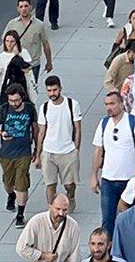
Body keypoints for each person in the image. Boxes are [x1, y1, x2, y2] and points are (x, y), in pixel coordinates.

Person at [90, 91, 135, 237]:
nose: (108, 107)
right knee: (108, 220)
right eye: (106, 104)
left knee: (133, 219)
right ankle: (108, 252)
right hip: (108, 180)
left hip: (129, 180)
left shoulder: (133, 122)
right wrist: (94, 175)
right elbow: (98, 150)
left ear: (121, 104)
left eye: (112, 103)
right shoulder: (104, 124)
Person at [0, 83, 40, 228]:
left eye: (17, 100)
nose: (14, 103)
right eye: (11, 100)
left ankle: (20, 214)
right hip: (6, 152)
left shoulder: (29, 109)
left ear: (22, 98)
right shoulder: (4, 109)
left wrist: (37, 150)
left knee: (21, 182)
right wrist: (2, 133)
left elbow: (35, 129)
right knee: (8, 183)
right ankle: (11, 195)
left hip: (24, 152)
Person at [36, 75, 82, 209]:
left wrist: (76, 149)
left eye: (55, 90)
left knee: (69, 184)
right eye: (49, 91)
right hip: (49, 152)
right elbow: (41, 132)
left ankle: (71, 197)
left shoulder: (72, 104)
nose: (52, 94)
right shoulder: (44, 108)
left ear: (60, 88)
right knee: (50, 185)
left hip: (68, 151)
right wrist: (38, 155)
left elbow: (78, 128)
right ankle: (53, 209)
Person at [15, 193, 81, 262]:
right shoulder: (36, 222)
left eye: (64, 210)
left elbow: (74, 255)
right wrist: (43, 256)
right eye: (57, 209)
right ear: (50, 206)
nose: (61, 213)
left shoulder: (73, 226)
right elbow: (21, 248)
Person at [4, 0, 53, 83]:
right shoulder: (12, 24)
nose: (24, 9)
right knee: (16, 91)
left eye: (26, 6)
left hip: (32, 65)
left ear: (31, 7)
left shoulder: (39, 25)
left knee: (32, 91)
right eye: (21, 6)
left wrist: (49, 62)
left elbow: (45, 44)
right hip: (16, 64)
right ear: (18, 9)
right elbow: (5, 42)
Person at [0, 30, 34, 106]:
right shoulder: (1, 56)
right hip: (7, 86)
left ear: (16, 42)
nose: (9, 44)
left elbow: (27, 69)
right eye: (7, 41)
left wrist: (17, 56)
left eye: (12, 41)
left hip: (21, 86)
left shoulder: (23, 52)